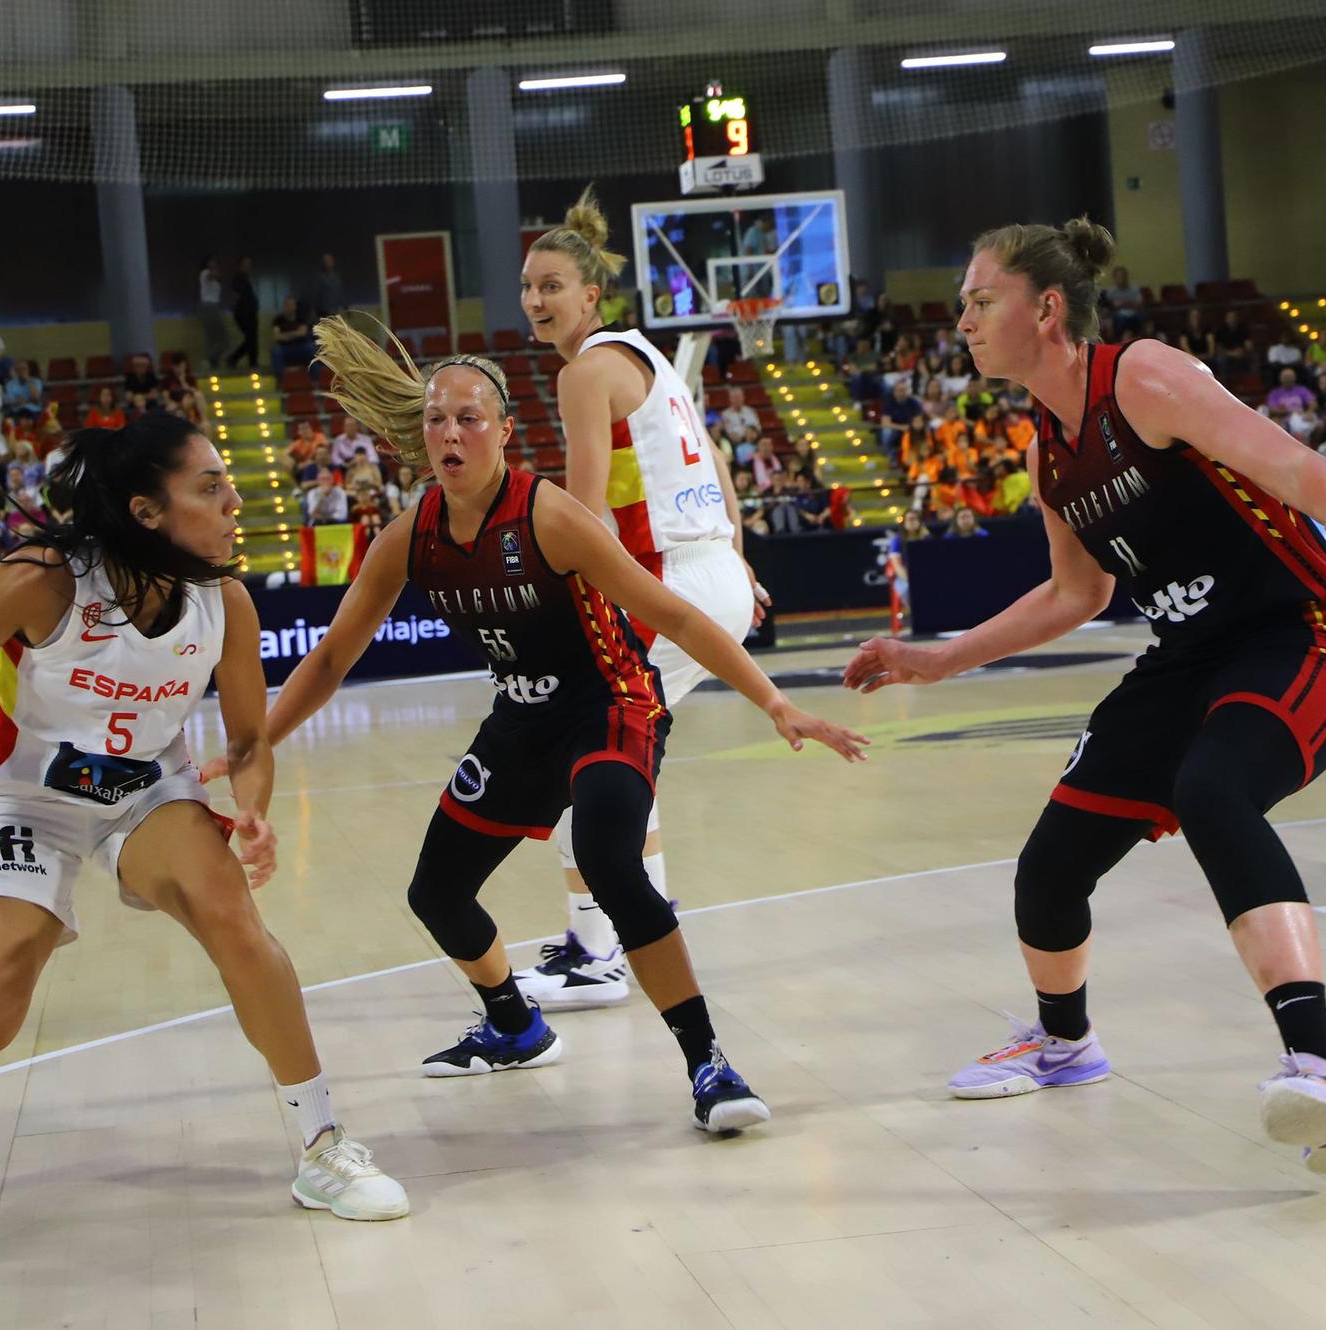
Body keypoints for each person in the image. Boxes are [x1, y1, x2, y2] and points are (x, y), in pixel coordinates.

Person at [842, 218, 1326, 1176]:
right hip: (1187, 657)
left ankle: (1321, 1070)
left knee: (1214, 791)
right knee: (1049, 871)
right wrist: (939, 660)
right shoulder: (1049, 444)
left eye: (980, 299)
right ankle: (1066, 1047)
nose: (960, 319)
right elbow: (1077, 594)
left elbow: (1290, 461)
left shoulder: (1140, 376)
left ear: (1046, 308)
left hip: (1300, 632)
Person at [0, 414, 409, 1222]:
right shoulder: (45, 580)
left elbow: (245, 739)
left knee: (232, 916)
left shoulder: (227, 603)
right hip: (23, 797)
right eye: (209, 486)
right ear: (145, 512)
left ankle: (322, 1146)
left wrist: (255, 809)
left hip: (144, 788)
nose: (234, 500)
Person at [235, 316, 863, 1132]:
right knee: (437, 892)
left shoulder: (551, 515)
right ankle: (513, 1024)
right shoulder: (412, 535)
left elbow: (671, 613)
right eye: (436, 418)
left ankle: (709, 1062)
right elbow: (326, 662)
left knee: (607, 855)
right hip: (523, 717)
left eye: (468, 417)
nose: (450, 432)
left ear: (501, 431)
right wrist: (257, 740)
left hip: (612, 703)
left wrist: (773, 700)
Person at [511, 188, 774, 1008]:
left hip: (670, 581)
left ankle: (604, 949)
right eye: (527, 286)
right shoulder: (648, 356)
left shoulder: (587, 373)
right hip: (710, 573)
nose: (535, 299)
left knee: (576, 749)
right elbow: (717, 466)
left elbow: (585, 511)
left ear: (591, 294)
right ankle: (620, 929)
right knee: (615, 762)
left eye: (551, 285)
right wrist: (738, 561)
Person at [197, 255, 231, 369]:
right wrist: (215, 269)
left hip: (214, 306)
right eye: (211, 262)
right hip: (208, 306)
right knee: (217, 336)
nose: (214, 264)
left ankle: (212, 360)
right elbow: (213, 275)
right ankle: (209, 360)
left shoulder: (215, 280)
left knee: (216, 337)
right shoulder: (205, 273)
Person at [227, 256, 260, 369]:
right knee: (251, 338)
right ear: (240, 265)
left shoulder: (246, 278)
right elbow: (234, 296)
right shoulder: (238, 278)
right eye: (246, 264)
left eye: (249, 264)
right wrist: (235, 311)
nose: (249, 266)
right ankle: (233, 358)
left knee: (252, 338)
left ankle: (252, 362)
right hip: (244, 313)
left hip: (250, 312)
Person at [271, 296, 313, 373]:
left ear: (295, 306)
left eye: (291, 305)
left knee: (312, 348)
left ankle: (314, 380)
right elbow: (277, 337)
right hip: (284, 347)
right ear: (284, 306)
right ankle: (281, 380)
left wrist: (285, 335)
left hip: (301, 345)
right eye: (287, 305)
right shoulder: (278, 320)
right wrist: (295, 333)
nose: (289, 307)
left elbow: (302, 333)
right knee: (276, 351)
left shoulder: (301, 318)